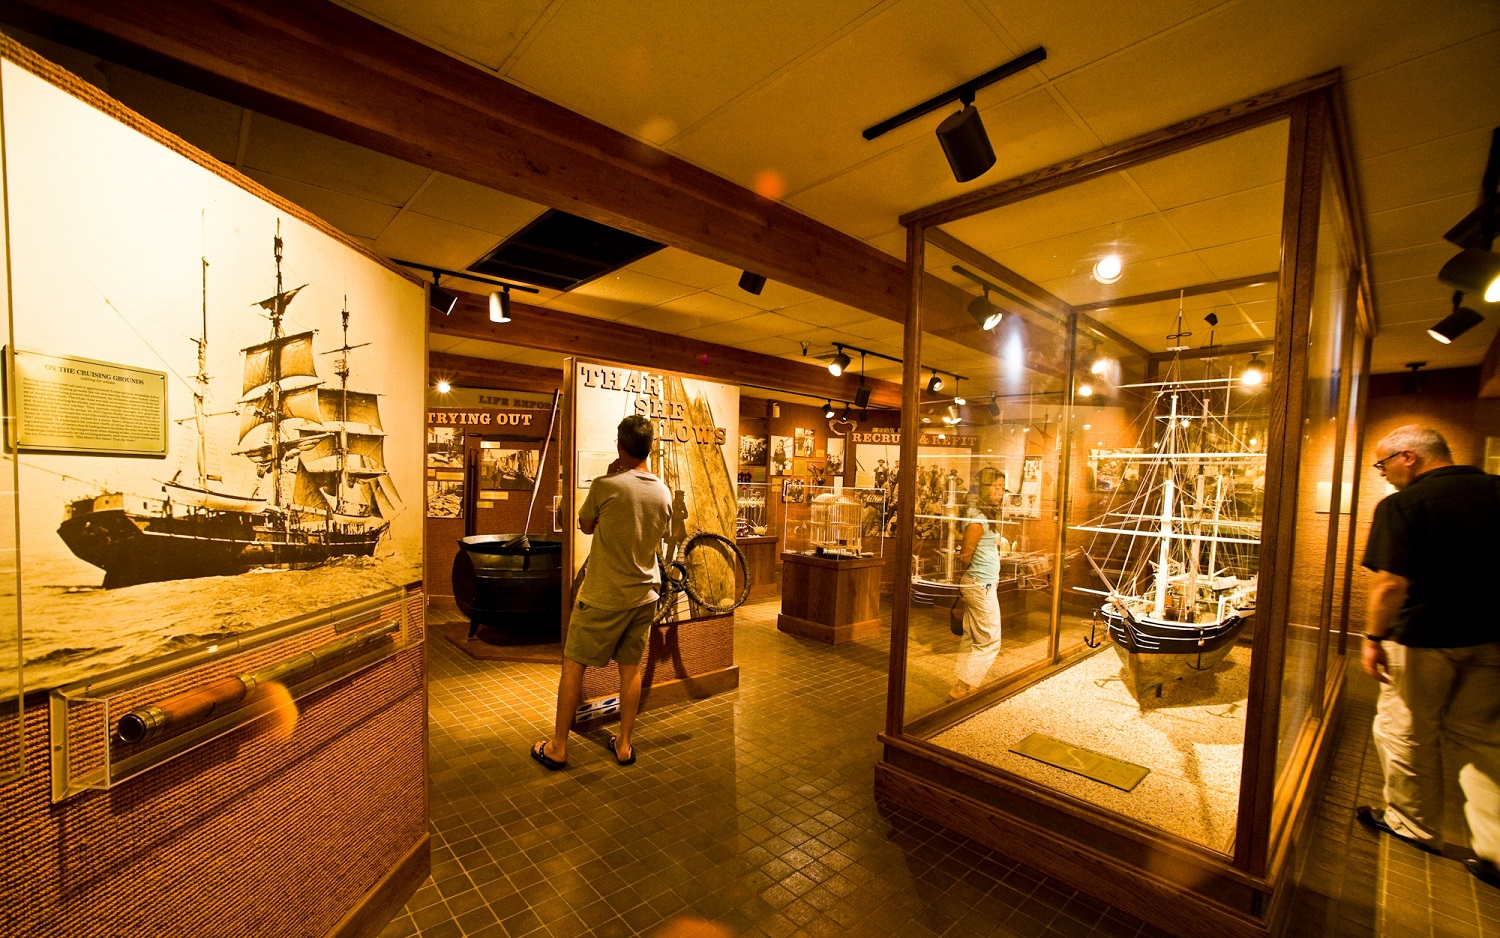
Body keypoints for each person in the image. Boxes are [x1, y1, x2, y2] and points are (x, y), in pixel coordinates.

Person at [1356, 425, 1500, 888]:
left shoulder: (1403, 505)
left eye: (1383, 465)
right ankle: (1495, 849)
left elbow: (1391, 584)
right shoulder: (1495, 490)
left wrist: (1373, 637)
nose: (1384, 476)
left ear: (1408, 458)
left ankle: (1412, 823)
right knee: (1483, 740)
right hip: (1491, 635)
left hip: (1424, 638)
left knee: (1408, 731)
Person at [531, 415, 672, 771]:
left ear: (620, 446)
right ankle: (624, 745)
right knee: (631, 670)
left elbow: (584, 525)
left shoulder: (606, 485)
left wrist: (613, 473)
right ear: (649, 448)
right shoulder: (663, 491)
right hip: (645, 595)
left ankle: (559, 747)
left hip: (603, 595)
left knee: (573, 665)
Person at [950, 468, 1006, 700]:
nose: (1000, 493)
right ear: (983, 488)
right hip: (980, 584)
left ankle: (960, 685)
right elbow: (965, 555)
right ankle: (966, 685)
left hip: (980, 583)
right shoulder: (978, 518)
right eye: (996, 487)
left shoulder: (981, 515)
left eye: (1003, 488)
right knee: (990, 640)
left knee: (972, 636)